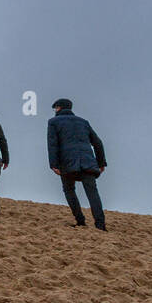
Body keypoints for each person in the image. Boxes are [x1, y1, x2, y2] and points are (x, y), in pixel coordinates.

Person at [47, 98, 108, 231]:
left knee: (69, 190)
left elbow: (53, 144)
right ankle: (100, 225)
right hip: (88, 162)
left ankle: (80, 220)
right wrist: (101, 162)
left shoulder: (53, 122)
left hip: (67, 162)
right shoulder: (83, 122)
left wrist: (53, 164)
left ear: (59, 108)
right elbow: (97, 142)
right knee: (92, 193)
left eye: (55, 108)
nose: (55, 110)